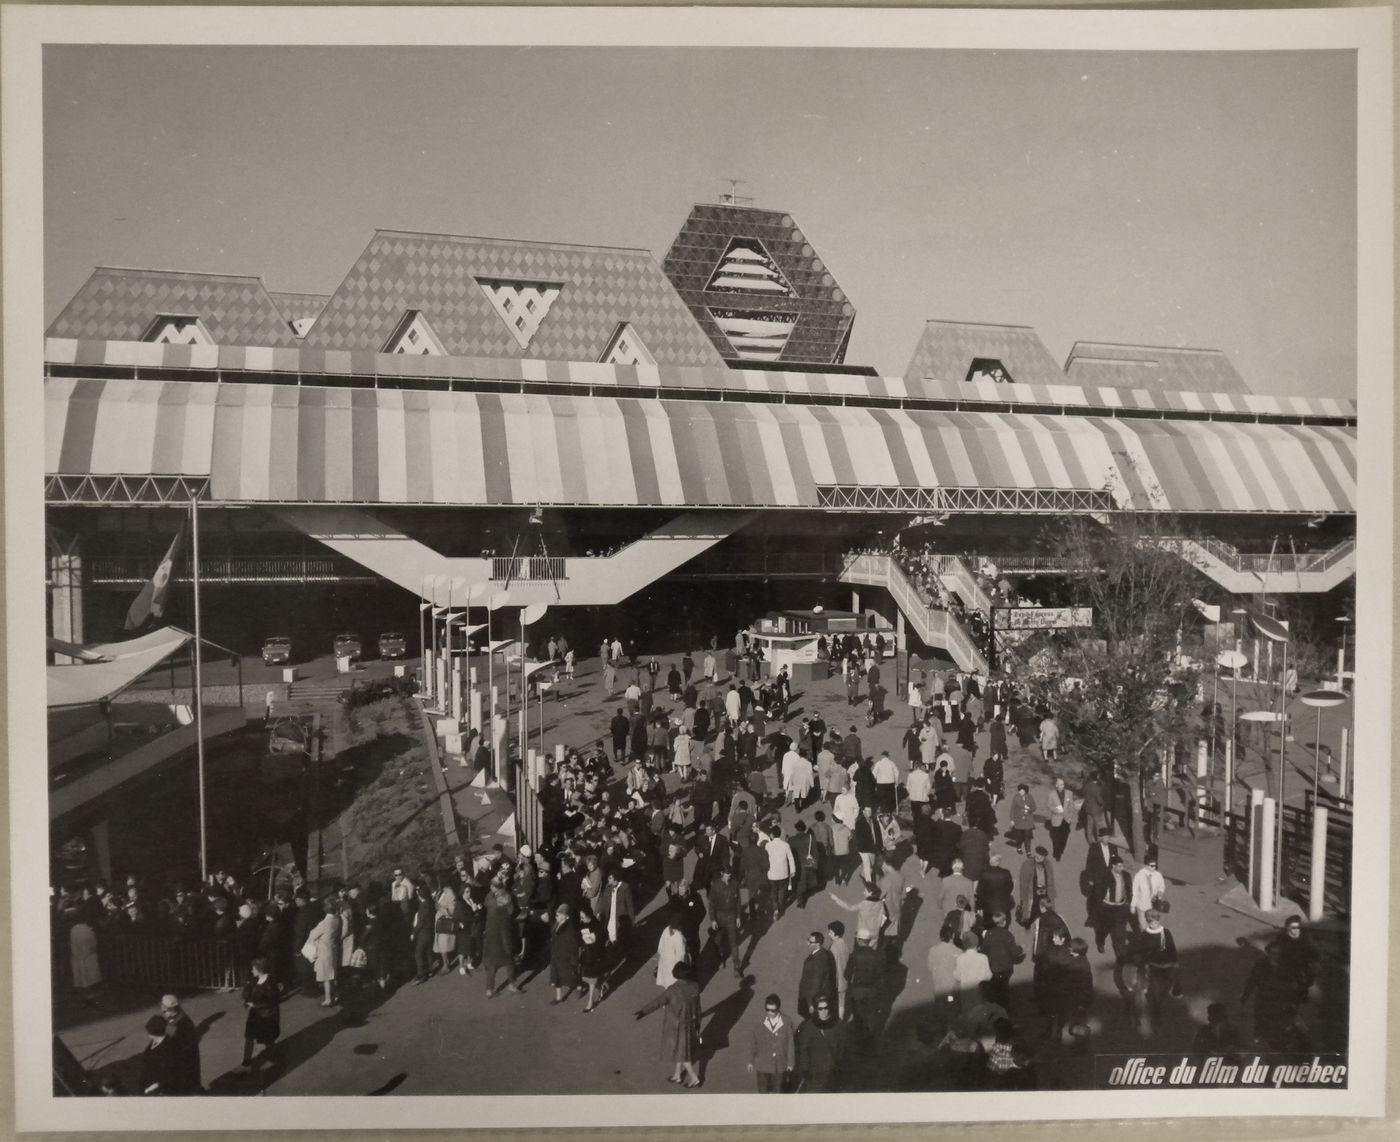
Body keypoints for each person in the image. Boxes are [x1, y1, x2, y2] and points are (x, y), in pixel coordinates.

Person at [635, 960, 703, 1088]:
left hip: (676, 1025)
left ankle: (694, 1078)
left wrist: (643, 1012)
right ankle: (677, 1075)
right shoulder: (694, 986)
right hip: (690, 1023)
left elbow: (658, 1002)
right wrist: (698, 1023)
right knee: (681, 1049)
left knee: (683, 1053)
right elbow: (698, 1007)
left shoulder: (673, 990)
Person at [1130, 908, 1179, 1039]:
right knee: (1146, 995)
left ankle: (1155, 1013)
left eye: (1155, 921)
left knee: (1159, 993)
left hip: (1164, 968)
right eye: (1150, 921)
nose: (1153, 924)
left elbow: (1171, 949)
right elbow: (1141, 951)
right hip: (1150, 968)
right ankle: (1145, 1018)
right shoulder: (1145, 934)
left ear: (1159, 920)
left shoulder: (1165, 933)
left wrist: (1175, 964)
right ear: (1147, 921)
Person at [795, 995, 849, 1092]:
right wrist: (804, 1068)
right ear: (816, 1009)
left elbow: (844, 1047)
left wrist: (839, 1064)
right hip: (814, 1072)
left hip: (833, 1072)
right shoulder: (809, 1026)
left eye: (826, 1008)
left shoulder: (838, 1024)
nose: (823, 1011)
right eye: (820, 1009)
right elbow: (804, 1049)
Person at [238, 957, 280, 1078]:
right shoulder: (255, 980)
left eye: (253, 968)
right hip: (255, 1015)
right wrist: (246, 999)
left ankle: (272, 1059)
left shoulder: (270, 983)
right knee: (249, 1037)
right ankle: (246, 1064)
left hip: (267, 1016)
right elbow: (249, 992)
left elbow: (272, 1001)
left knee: (268, 1039)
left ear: (259, 969)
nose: (251, 970)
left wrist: (254, 1004)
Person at [749, 993, 797, 1092]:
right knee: (763, 1093)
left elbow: (790, 1044)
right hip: (763, 1066)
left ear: (778, 1009)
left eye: (773, 1010)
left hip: (779, 1066)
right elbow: (753, 1042)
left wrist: (790, 1063)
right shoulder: (759, 1022)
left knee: (777, 1093)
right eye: (767, 1010)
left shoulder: (786, 1021)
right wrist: (750, 1061)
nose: (770, 1013)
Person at [482, 883, 522, 998]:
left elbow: (488, 899)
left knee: (492, 966)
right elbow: (511, 911)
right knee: (510, 964)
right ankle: (511, 985)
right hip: (503, 944)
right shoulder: (504, 915)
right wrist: (508, 948)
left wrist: (495, 890)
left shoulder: (490, 905)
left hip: (491, 942)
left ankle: (489, 990)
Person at [844, 930, 885, 1038]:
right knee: (871, 1015)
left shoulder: (855, 955)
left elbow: (846, 974)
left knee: (858, 1016)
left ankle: (860, 1040)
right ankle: (871, 1039)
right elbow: (881, 973)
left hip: (858, 990)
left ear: (859, 940)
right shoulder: (877, 955)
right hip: (873, 990)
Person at [159, 995, 203, 1094]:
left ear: (170, 1009)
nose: (163, 1012)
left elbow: (185, 1045)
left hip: (183, 1061)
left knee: (185, 1084)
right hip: (181, 1059)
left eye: (164, 1010)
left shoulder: (182, 1023)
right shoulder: (176, 1017)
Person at [1093, 852, 1133, 955]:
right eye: (1119, 866)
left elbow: (1129, 890)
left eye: (1122, 866)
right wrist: (1100, 905)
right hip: (1108, 907)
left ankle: (1120, 952)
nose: (1122, 868)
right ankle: (1100, 942)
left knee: (1120, 930)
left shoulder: (1126, 875)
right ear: (1113, 866)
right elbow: (1098, 891)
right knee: (1104, 928)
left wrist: (1128, 902)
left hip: (1121, 907)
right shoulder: (1105, 876)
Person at [927, 919, 962, 1032]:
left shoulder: (933, 950)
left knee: (940, 1009)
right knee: (951, 1008)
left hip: (938, 986)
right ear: (951, 936)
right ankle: (951, 1031)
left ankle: (941, 1029)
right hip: (952, 988)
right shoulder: (958, 951)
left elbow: (930, 967)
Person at [308, 899, 341, 1007]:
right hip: (333, 949)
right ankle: (335, 994)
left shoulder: (324, 923)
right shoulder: (337, 919)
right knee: (333, 975)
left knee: (326, 977)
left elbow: (313, 935)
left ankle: (328, 999)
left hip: (324, 951)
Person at [797, 931, 838, 1018]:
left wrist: (811, 1003)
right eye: (808, 940)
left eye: (811, 942)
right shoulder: (822, 953)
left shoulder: (819, 959)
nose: (808, 943)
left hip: (813, 999)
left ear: (818, 944)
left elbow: (816, 983)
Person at [953, 929, 993, 1012]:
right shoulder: (983, 957)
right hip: (979, 992)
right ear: (977, 943)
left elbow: (957, 976)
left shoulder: (960, 958)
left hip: (965, 992)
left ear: (964, 944)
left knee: (968, 1013)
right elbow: (989, 976)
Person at [1016, 847, 1057, 927]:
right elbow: (1023, 883)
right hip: (1033, 892)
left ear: (1044, 857)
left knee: (1045, 908)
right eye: (1037, 856)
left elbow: (1050, 879)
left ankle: (1045, 922)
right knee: (1032, 909)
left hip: (1045, 890)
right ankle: (1028, 922)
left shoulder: (1048, 864)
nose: (1038, 859)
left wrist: (1052, 892)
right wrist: (1023, 898)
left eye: (1041, 857)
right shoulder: (1027, 865)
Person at [139, 1015, 178, 1095]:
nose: (147, 1034)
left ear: (153, 1033)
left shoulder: (167, 1049)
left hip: (156, 1087)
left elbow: (166, 1076)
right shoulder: (155, 1041)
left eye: (148, 1032)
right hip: (148, 1078)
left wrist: (150, 1088)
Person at [764, 829, 798, 922]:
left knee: (773, 891)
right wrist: (793, 871)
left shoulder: (768, 845)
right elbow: (790, 858)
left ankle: (775, 908)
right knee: (782, 891)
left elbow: (766, 858)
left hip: (771, 874)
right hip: (783, 873)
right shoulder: (786, 845)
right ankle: (780, 906)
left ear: (771, 835)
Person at [975, 853, 1015, 928]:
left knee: (989, 926)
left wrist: (979, 905)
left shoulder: (984, 873)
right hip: (1003, 905)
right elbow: (1010, 887)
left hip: (988, 907)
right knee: (1003, 926)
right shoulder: (1006, 873)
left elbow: (979, 891)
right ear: (999, 862)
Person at [1131, 848, 1168, 930]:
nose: (1154, 868)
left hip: (1153, 905)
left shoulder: (1158, 875)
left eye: (1155, 865)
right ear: (1146, 865)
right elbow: (1135, 892)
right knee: (1143, 926)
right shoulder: (1139, 876)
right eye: (1151, 866)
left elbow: (1162, 886)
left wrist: (1160, 891)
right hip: (1142, 905)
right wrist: (1133, 906)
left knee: (1153, 925)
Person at [654, 912, 688, 989]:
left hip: (665, 960)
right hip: (674, 963)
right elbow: (681, 955)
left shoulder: (666, 930)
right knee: (673, 981)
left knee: (666, 978)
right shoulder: (679, 937)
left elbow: (660, 946)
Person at [1045, 778, 1075, 861]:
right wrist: (1056, 810)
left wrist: (1070, 817)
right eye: (1060, 784)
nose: (1062, 786)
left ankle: (1061, 850)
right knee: (1056, 838)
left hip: (1066, 819)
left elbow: (1072, 806)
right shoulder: (1052, 794)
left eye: (1063, 784)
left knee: (1064, 837)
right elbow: (1049, 805)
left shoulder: (1069, 793)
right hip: (1056, 819)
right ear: (1056, 785)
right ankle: (1057, 853)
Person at [1009, 783, 1037, 856]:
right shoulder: (1016, 797)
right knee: (1019, 836)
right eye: (1019, 791)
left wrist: (1029, 809)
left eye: (1021, 791)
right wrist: (1012, 819)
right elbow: (1012, 809)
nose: (1019, 792)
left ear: (1025, 791)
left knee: (1027, 836)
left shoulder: (1030, 797)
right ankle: (1019, 847)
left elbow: (1034, 807)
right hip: (1019, 820)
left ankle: (1028, 851)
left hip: (1028, 820)